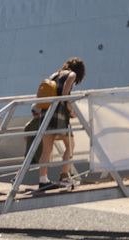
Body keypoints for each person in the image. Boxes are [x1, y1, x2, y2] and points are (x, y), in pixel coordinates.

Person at [34, 57, 85, 190]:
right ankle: (64, 175)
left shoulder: (54, 75)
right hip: (60, 115)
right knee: (70, 144)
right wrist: (71, 111)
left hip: (47, 114)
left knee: (46, 150)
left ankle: (43, 180)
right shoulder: (71, 75)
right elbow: (65, 94)